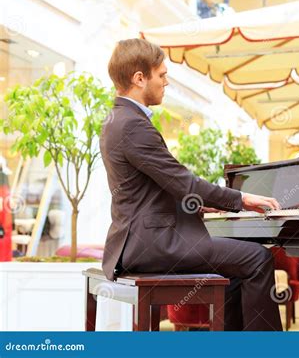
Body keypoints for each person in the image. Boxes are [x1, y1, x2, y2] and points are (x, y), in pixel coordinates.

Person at [100, 38, 283, 331]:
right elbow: (184, 181)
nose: (166, 82)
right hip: (154, 245)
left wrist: (203, 202)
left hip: (137, 242)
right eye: (161, 75)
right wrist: (242, 199)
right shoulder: (133, 124)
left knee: (239, 270)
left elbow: (156, 187)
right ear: (139, 78)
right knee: (258, 258)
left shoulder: (117, 119)